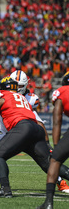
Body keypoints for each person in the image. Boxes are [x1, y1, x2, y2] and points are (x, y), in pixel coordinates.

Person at [0, 70, 69, 193]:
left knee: (2, 156)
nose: (16, 88)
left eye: (19, 85)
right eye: (15, 84)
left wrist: (47, 143)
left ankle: (60, 182)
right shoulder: (4, 95)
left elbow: (37, 119)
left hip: (19, 130)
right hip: (3, 130)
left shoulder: (27, 98)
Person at [37, 72, 69, 209]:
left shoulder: (61, 92)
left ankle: (49, 203)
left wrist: (56, 146)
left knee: (54, 161)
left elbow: (57, 121)